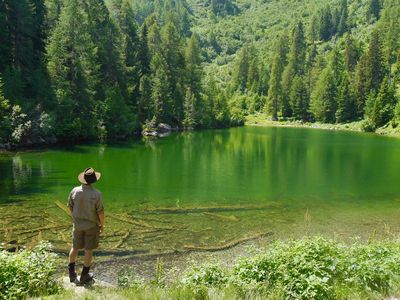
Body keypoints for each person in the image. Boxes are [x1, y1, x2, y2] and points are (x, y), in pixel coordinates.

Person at [67, 167, 105, 285]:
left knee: (75, 247)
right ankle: (84, 275)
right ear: (94, 180)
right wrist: (102, 225)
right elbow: (100, 212)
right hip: (91, 226)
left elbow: (69, 205)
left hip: (77, 225)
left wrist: (76, 216)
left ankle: (71, 273)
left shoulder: (75, 191)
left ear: (83, 179)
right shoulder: (97, 194)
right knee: (89, 250)